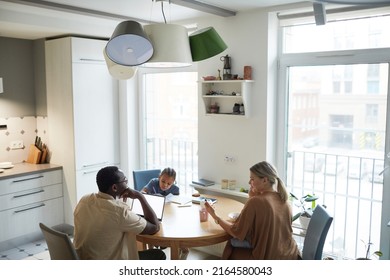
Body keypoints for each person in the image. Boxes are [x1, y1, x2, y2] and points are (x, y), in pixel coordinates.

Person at [205, 161, 301, 260]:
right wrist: (252, 197)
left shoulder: (256, 201)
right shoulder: (284, 200)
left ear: (264, 180)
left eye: (252, 179)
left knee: (232, 241)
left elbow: (236, 232)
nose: (249, 182)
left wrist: (215, 216)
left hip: (267, 257)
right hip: (290, 254)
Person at [73, 166, 166, 260]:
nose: (127, 184)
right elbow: (155, 227)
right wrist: (140, 196)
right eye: (125, 180)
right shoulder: (119, 212)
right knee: (159, 254)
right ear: (114, 187)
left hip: (83, 259)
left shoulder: (84, 199)